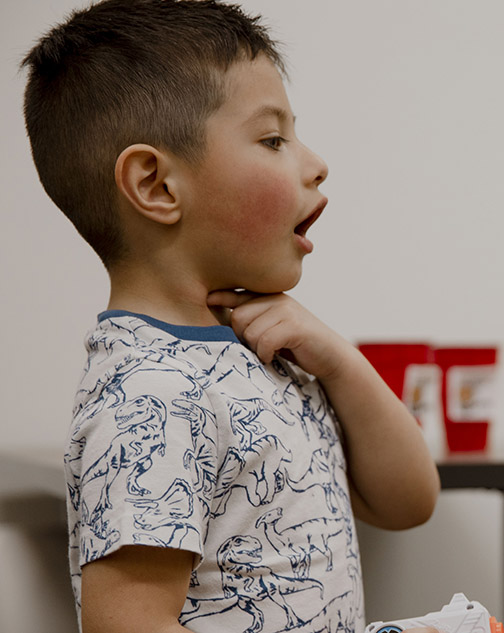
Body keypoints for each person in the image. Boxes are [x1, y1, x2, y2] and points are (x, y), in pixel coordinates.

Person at [21, 1, 441, 631]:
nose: (315, 163)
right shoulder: (151, 396)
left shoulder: (257, 354)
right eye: (273, 139)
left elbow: (408, 501)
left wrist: (340, 362)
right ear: (157, 186)